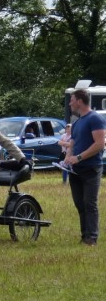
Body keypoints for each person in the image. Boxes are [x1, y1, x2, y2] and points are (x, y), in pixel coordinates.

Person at [61, 88, 106, 245]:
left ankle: (91, 238)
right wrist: (67, 158)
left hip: (91, 168)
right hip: (75, 170)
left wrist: (79, 157)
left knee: (89, 203)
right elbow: (72, 144)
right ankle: (84, 236)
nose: (70, 104)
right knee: (80, 203)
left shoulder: (95, 119)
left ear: (79, 102)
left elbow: (100, 144)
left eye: (72, 100)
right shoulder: (76, 122)